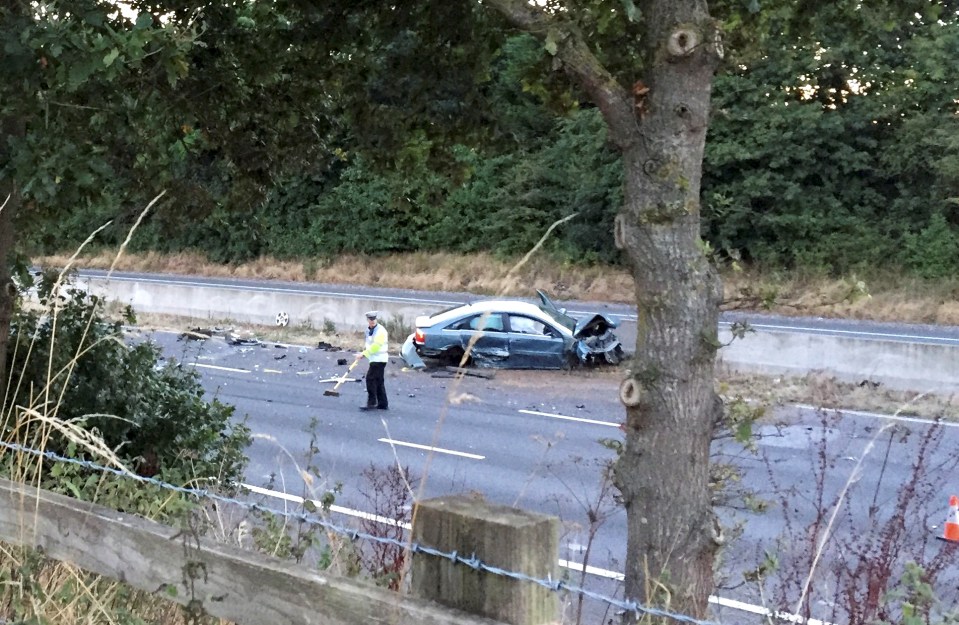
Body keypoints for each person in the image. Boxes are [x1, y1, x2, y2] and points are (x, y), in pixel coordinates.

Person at [356, 310, 389, 411]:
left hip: (379, 359)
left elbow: (376, 346)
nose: (372, 321)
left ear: (376, 319)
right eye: (370, 319)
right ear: (367, 320)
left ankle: (372, 402)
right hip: (374, 358)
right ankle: (383, 403)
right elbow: (369, 344)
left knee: (370, 379)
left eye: (374, 319)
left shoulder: (381, 331)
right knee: (379, 381)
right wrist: (364, 352)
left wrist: (364, 354)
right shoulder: (368, 330)